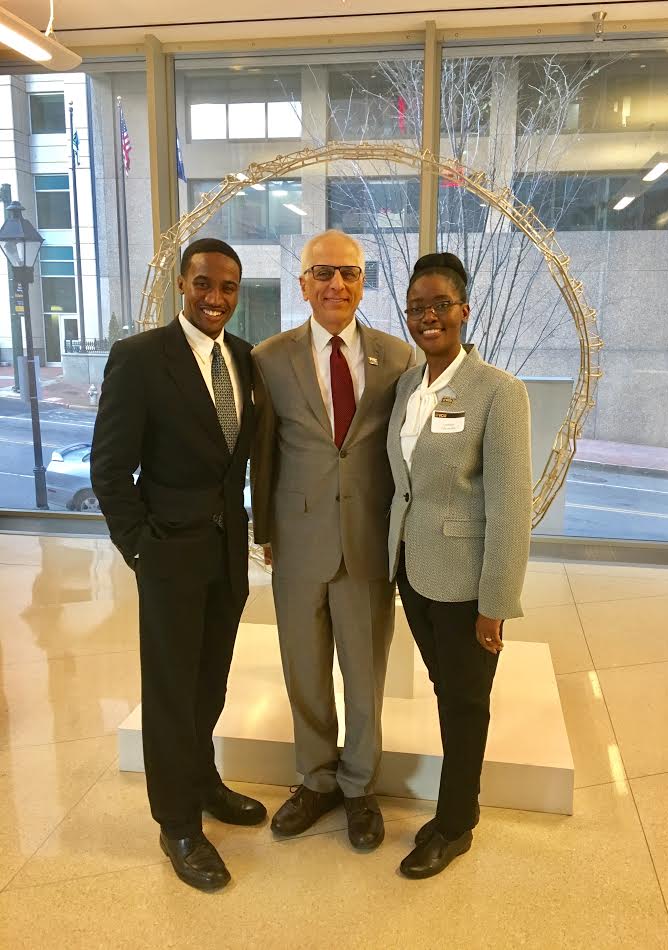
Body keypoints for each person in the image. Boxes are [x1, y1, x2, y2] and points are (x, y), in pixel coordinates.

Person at [91, 238, 266, 892]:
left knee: (210, 681)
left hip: (226, 551)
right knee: (169, 691)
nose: (215, 298)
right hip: (167, 550)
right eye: (203, 285)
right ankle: (178, 824)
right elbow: (109, 468)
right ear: (182, 286)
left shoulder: (246, 359)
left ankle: (202, 778)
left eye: (227, 287)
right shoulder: (140, 359)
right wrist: (139, 545)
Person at [251, 229, 414, 851]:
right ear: (303, 284)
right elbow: (262, 455)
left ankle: (358, 787)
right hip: (295, 542)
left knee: (365, 673)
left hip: (368, 543)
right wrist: (264, 529)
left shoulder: (398, 359)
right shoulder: (270, 358)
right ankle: (315, 779)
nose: (336, 285)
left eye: (348, 274)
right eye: (323, 273)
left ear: (363, 283)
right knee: (304, 668)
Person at [387, 252, 532, 879]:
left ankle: (456, 825)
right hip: (413, 573)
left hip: (467, 583)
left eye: (440, 304)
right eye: (418, 307)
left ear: (464, 310)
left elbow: (509, 505)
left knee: (466, 703)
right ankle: (452, 809)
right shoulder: (407, 389)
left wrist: (496, 601)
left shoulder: (499, 392)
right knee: (450, 696)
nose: (428, 317)